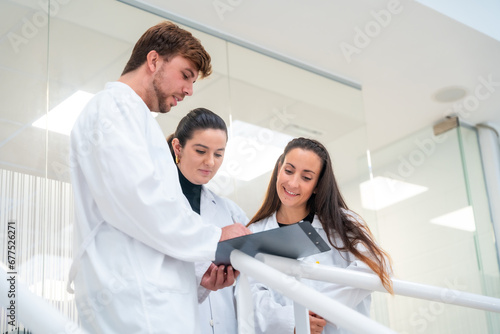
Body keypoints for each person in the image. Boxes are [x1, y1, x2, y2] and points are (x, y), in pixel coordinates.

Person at [68, 21, 249, 334]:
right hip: (135, 305)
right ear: (153, 61)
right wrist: (212, 236)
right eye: (186, 75)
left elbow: (150, 226)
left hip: (149, 302)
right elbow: (137, 201)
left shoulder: (137, 119)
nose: (189, 90)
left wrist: (199, 280)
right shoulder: (112, 109)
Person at [246, 137, 393, 334]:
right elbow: (251, 296)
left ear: (317, 185)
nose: (293, 183)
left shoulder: (343, 224)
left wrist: (319, 309)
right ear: (279, 169)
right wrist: (292, 321)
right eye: (288, 171)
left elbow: (375, 267)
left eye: (306, 177)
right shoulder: (256, 233)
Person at [166, 107, 249, 334]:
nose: (210, 162)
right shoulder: (158, 204)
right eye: (201, 151)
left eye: (218, 154)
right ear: (178, 147)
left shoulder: (231, 213)